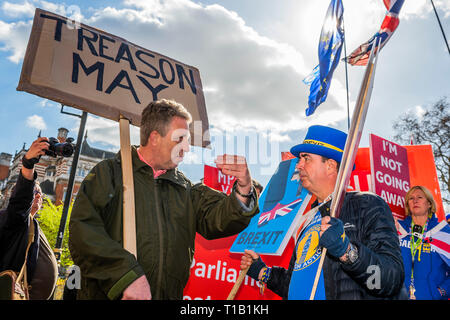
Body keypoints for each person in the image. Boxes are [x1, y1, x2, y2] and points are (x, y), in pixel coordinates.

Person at [68, 99, 259, 300]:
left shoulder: (186, 189)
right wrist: (125, 276)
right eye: (180, 138)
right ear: (154, 137)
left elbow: (222, 217)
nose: (186, 147)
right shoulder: (108, 174)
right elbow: (83, 232)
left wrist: (245, 187)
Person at [240, 125, 407, 299]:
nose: (298, 165)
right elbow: (298, 284)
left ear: (330, 165)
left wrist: (347, 252)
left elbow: (390, 280)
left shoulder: (367, 204)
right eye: (300, 159)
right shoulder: (307, 219)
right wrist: (262, 272)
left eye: (306, 158)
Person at [0, 137, 58, 299]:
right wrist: (28, 164)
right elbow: (20, 203)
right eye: (34, 191)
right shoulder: (11, 219)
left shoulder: (32, 223)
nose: (39, 195)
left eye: (40, 192)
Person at [397, 186, 450, 300]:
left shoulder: (444, 232)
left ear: (429, 204)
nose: (415, 200)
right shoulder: (397, 229)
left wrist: (441, 291)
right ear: (408, 205)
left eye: (420, 197)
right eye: (411, 198)